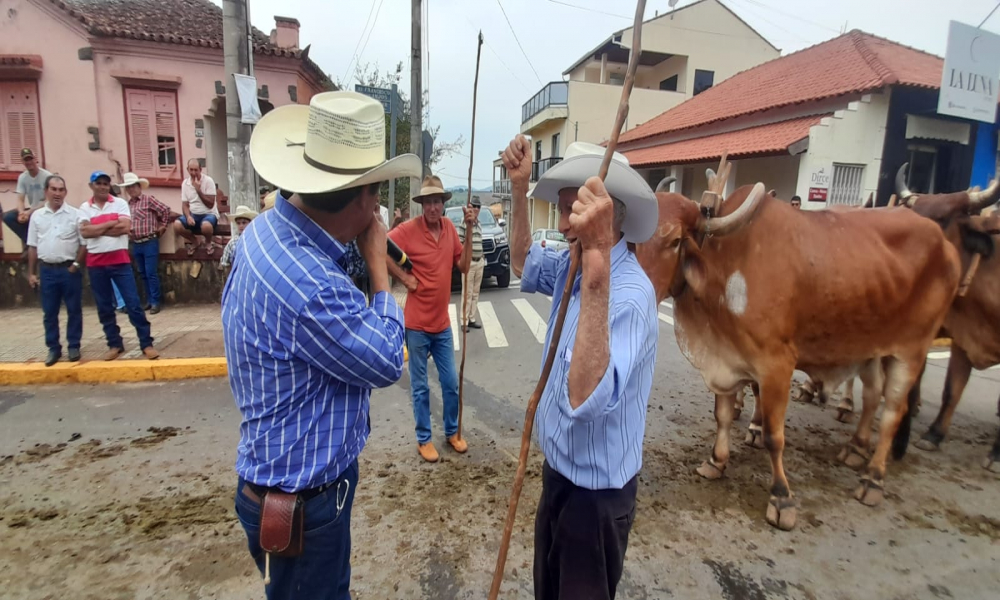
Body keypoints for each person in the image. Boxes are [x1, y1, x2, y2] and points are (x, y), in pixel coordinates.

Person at [223, 91, 420, 600]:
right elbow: (382, 360)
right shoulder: (310, 286)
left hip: (279, 484)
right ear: (362, 197)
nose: (377, 207)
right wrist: (380, 270)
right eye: (375, 194)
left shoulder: (267, 231)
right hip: (304, 507)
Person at [503, 136, 660, 600]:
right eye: (564, 200)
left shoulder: (630, 295)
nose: (566, 210)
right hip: (559, 477)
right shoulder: (570, 263)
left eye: (580, 200)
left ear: (612, 214)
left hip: (596, 498)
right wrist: (517, 191)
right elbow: (520, 261)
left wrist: (595, 263)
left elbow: (582, 400)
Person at [387, 175, 475, 463]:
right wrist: (403, 278)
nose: (433, 207)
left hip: (442, 324)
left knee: (450, 382)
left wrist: (470, 229)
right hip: (416, 325)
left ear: (443, 205)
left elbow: (463, 266)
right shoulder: (409, 230)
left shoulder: (450, 228)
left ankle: (452, 432)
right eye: (428, 202)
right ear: (422, 205)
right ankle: (424, 439)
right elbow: (380, 246)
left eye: (437, 202)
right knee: (421, 387)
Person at [78, 171, 158, 361]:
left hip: (119, 261)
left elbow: (124, 228)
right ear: (92, 186)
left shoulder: (120, 203)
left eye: (106, 183)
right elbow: (85, 232)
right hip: (96, 263)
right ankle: (114, 344)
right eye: (99, 183)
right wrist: (111, 223)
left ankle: (146, 343)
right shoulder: (84, 208)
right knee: (104, 307)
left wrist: (98, 228)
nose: (103, 186)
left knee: (133, 304)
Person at [26, 175, 86, 366]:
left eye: (61, 190)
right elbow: (32, 247)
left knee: (74, 309)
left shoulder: (75, 215)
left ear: (65, 192)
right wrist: (32, 272)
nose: (58, 194)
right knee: (49, 312)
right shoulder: (37, 216)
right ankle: (53, 348)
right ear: (46, 192)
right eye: (54, 189)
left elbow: (84, 244)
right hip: (47, 270)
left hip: (69, 269)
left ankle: (74, 345)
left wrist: (76, 265)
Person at [120, 172, 171, 314]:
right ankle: (149, 300)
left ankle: (155, 301)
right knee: (142, 273)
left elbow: (165, 210)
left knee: (150, 273)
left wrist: (163, 225)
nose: (131, 190)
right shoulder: (128, 205)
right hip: (136, 242)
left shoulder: (148, 200)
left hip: (149, 240)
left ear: (138, 187)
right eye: (128, 188)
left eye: (133, 187)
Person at [3, 148, 53, 253]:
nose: (29, 162)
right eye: (26, 160)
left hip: (46, 210)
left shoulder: (47, 176)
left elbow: (48, 201)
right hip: (32, 210)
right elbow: (20, 199)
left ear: (35, 160)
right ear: (23, 162)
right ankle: (29, 242)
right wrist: (21, 212)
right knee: (8, 217)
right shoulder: (23, 177)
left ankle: (34, 244)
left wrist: (29, 212)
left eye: (31, 159)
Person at [173, 159, 220, 255]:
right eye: (191, 170)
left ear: (200, 169)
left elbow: (210, 204)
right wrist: (188, 216)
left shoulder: (208, 181)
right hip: (194, 214)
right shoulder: (185, 183)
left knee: (206, 226)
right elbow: (185, 204)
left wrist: (198, 190)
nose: (193, 173)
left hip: (209, 213)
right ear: (188, 170)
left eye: (196, 170)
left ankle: (208, 242)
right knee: (177, 225)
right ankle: (195, 241)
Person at [458, 195, 485, 332]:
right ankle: (464, 321)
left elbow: (479, 241)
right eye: (474, 206)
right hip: (469, 263)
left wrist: (482, 257)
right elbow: (460, 242)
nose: (476, 208)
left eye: (478, 206)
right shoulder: (465, 222)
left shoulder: (479, 223)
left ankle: (472, 318)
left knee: (475, 292)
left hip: (479, 261)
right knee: (467, 293)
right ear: (469, 207)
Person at [218, 204, 258, 272]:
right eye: (238, 223)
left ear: (250, 223)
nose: (241, 226)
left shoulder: (256, 241)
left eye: (244, 223)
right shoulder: (233, 242)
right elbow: (225, 263)